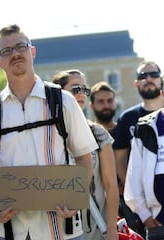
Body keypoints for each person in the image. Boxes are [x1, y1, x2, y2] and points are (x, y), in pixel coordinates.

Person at [0, 24, 96, 240]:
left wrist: (76, 197)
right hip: (7, 231)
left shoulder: (63, 101)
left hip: (62, 229)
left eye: (21, 46)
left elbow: (84, 157)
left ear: (32, 52)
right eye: (6, 51)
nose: (15, 54)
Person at [52, 69, 119, 240]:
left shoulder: (97, 133)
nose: (82, 94)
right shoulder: (46, 135)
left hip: (94, 228)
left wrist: (111, 230)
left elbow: (111, 185)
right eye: (75, 89)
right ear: (59, 93)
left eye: (85, 89)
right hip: (55, 227)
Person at [124, 69, 164, 229]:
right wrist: (146, 216)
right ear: (161, 92)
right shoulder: (146, 127)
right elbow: (134, 177)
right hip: (158, 223)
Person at [114, 61, 164, 192]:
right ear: (136, 83)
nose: (148, 79)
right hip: (142, 195)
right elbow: (119, 161)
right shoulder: (127, 118)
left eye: (153, 75)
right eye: (143, 76)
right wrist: (134, 192)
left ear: (161, 80)